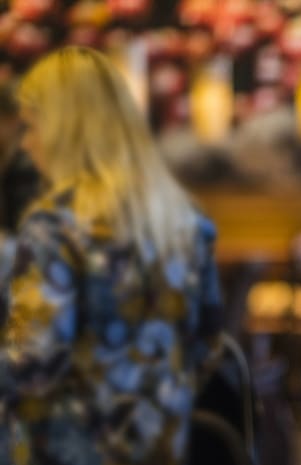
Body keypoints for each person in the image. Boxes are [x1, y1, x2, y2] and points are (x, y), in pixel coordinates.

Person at [0, 46, 222, 465]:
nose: (25, 145)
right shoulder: (184, 219)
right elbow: (208, 345)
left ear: (65, 130)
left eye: (30, 128)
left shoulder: (54, 227)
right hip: (162, 446)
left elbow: (34, 368)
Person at [0, 81, 41, 231]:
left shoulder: (27, 163)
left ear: (13, 120)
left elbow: (22, 224)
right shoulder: (11, 154)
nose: (26, 143)